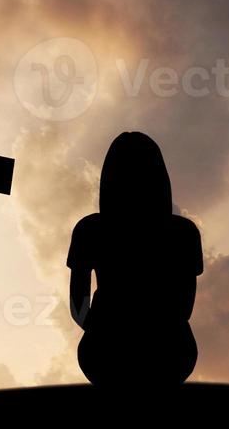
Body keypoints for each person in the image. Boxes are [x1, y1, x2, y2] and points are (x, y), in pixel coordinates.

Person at [68, 132, 203, 390]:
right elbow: (184, 305)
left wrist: (102, 332)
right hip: (170, 351)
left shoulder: (90, 229)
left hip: (106, 352)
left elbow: (78, 305)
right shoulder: (183, 233)